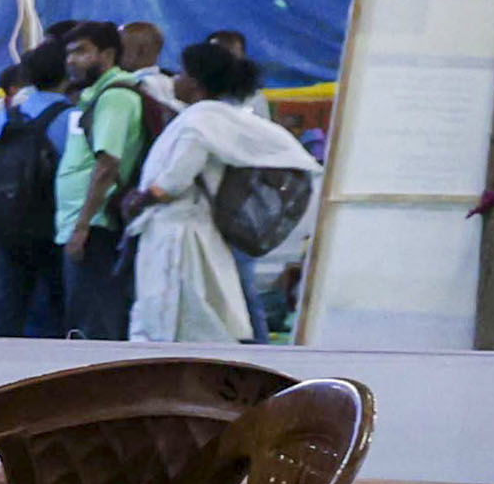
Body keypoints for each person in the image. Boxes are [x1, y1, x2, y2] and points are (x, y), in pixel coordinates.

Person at [125, 34, 318, 343]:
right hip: (193, 231)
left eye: (183, 72)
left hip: (178, 235)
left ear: (197, 82)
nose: (176, 79)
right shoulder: (216, 118)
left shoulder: (199, 123)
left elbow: (175, 181)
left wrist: (142, 197)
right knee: (204, 315)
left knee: (181, 321)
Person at [0, 37, 75, 338]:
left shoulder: (7, 113)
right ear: (66, 75)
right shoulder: (69, 116)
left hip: (7, 216)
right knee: (51, 299)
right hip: (50, 218)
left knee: (11, 295)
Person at [58, 18, 152, 339]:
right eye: (69, 53)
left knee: (95, 324)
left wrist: (82, 226)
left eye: (81, 51)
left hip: (96, 227)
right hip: (85, 223)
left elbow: (108, 164)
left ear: (108, 54)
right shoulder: (97, 95)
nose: (72, 60)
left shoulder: (115, 96)